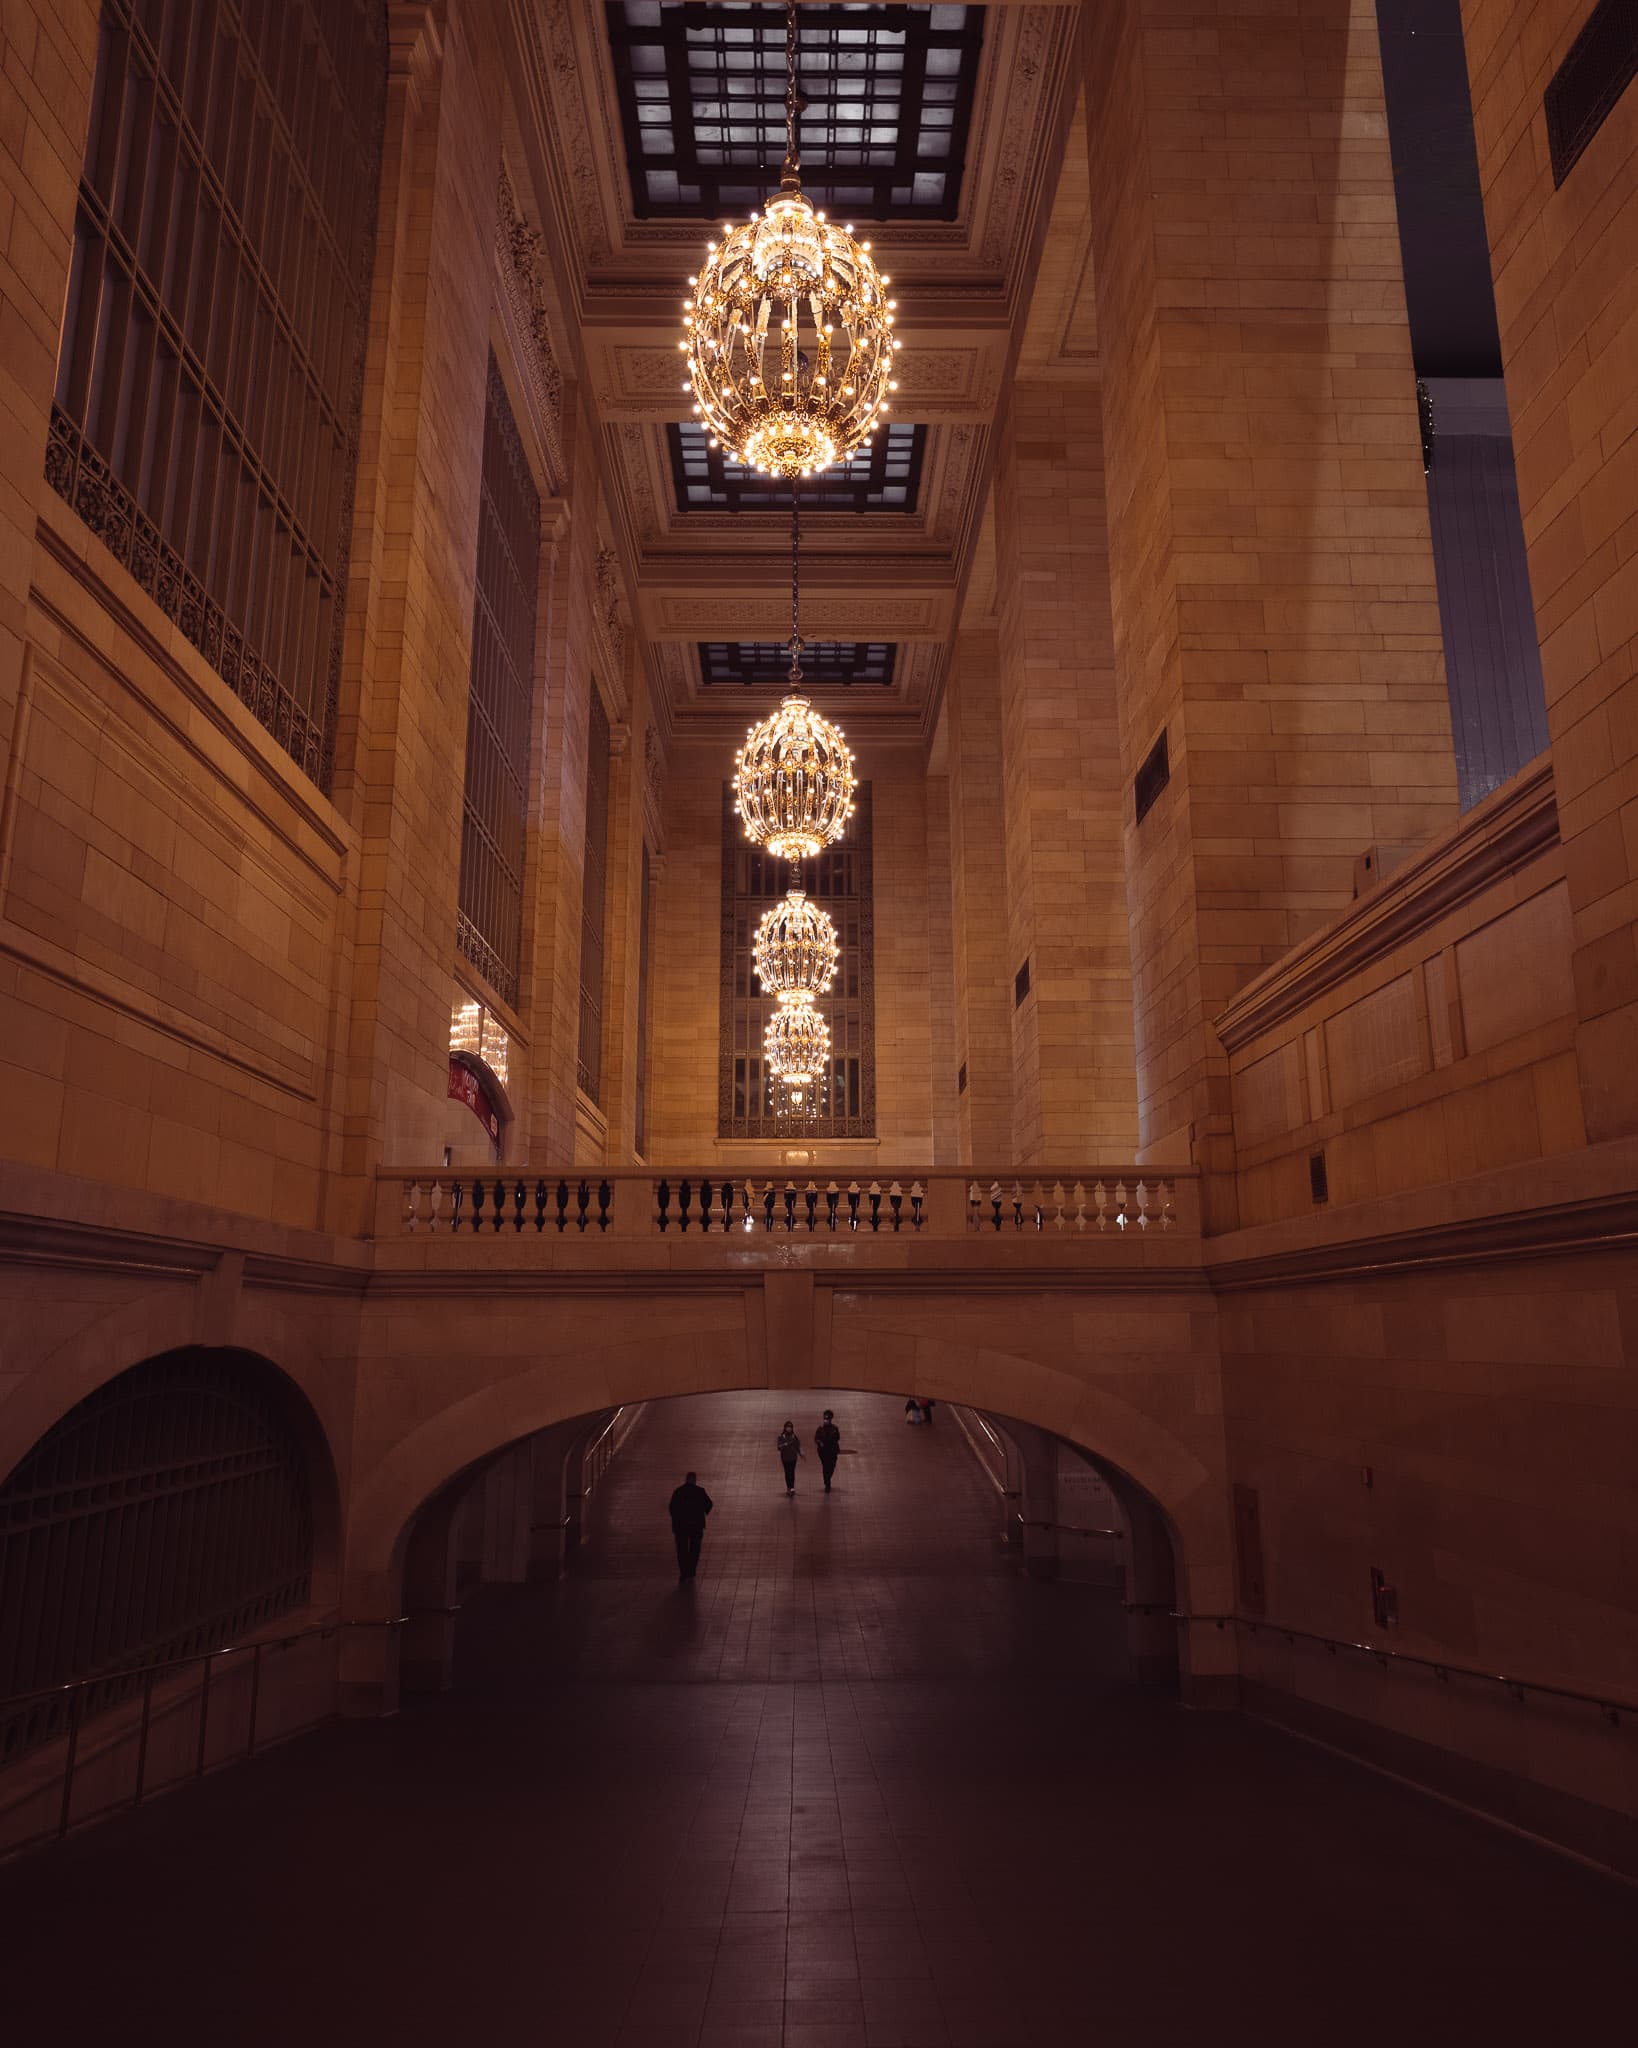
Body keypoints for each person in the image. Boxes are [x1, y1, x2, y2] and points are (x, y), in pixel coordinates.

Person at [668, 1470, 713, 1581]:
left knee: (682, 1550)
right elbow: (709, 1504)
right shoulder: (700, 1491)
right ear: (695, 1480)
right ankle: (691, 1571)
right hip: (696, 1526)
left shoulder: (678, 1491)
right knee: (695, 1549)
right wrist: (702, 1511)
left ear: (686, 1479)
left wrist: (677, 1518)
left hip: (681, 1526)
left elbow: (672, 1508)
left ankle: (684, 1572)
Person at [815, 1409, 841, 1492]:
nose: (825, 1420)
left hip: (833, 1451)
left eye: (827, 1419)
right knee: (825, 1467)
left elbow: (838, 1438)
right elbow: (816, 1439)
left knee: (832, 1467)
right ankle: (827, 1483)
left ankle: (827, 1479)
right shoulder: (820, 1429)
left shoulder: (834, 1428)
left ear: (830, 1419)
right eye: (824, 1419)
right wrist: (820, 1442)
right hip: (823, 1452)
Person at [776, 1420, 803, 1494]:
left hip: (793, 1458)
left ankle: (792, 1487)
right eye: (787, 1427)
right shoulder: (781, 1436)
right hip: (785, 1458)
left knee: (792, 1472)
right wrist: (785, 1445)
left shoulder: (794, 1437)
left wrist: (801, 1454)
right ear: (785, 1428)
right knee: (787, 1472)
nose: (789, 1429)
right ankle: (788, 1487)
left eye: (790, 1427)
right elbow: (778, 1447)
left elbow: (798, 1446)